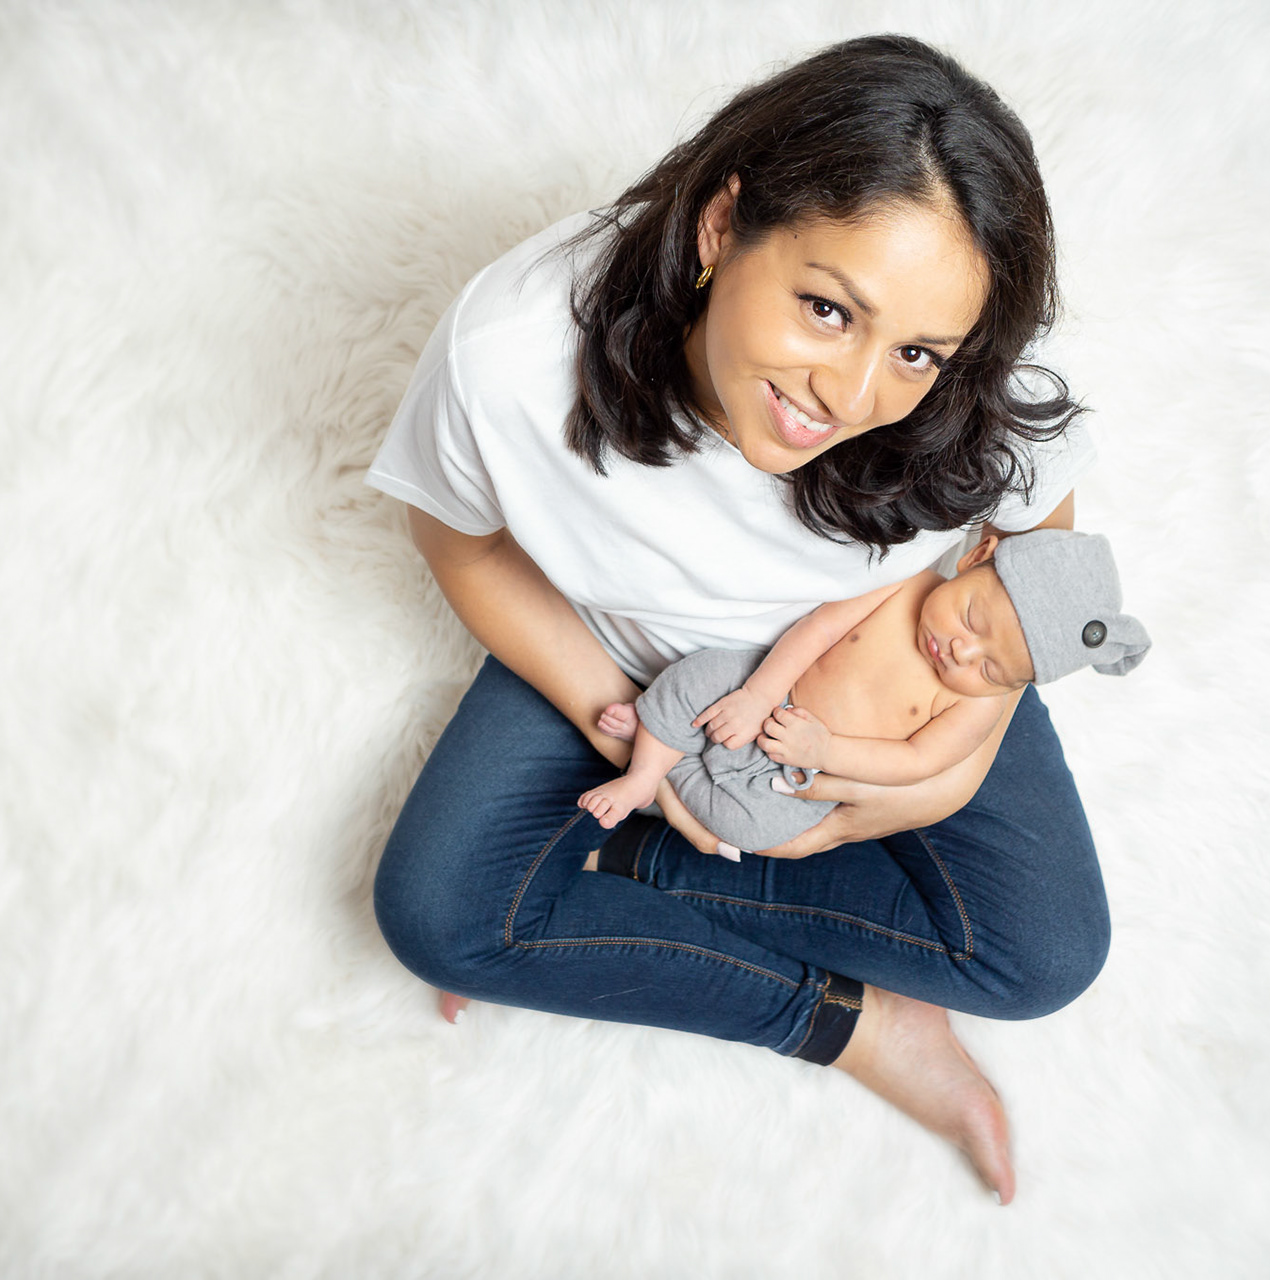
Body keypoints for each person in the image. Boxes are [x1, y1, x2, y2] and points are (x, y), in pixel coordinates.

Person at [365, 34, 1107, 1205]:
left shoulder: (966, 376)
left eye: (916, 351)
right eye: (827, 308)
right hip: (630, 653)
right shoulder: (509, 355)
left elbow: (1041, 549)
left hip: (893, 650)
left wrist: (953, 760)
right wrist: (627, 729)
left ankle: (623, 865)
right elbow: (460, 541)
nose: (850, 396)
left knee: (1044, 954)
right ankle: (848, 1022)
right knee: (438, 916)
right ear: (721, 227)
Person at [578, 529, 1151, 859]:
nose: (961, 651)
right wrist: (758, 694)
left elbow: (916, 761)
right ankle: (645, 771)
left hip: (806, 769)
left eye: (993, 668)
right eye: (972, 618)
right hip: (771, 693)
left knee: (757, 831)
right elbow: (819, 629)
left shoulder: (977, 706)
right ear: (977, 556)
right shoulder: (904, 584)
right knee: (701, 676)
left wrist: (825, 751)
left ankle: (667, 756)